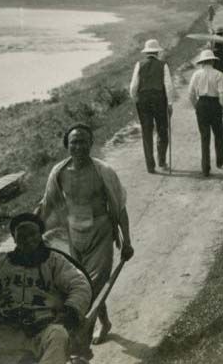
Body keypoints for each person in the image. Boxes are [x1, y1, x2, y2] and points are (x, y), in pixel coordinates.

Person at [36, 124, 134, 358]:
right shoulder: (58, 173)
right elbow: (46, 204)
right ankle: (105, 322)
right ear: (67, 145)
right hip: (73, 236)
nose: (78, 146)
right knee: (82, 287)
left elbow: (119, 208)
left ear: (91, 144)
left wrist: (127, 240)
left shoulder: (104, 172)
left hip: (100, 235)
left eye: (83, 142)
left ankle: (80, 347)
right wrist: (29, 231)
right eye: (74, 142)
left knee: (91, 289)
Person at [0, 213, 92, 364]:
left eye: (32, 234)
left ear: (40, 233)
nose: (28, 240)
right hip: (6, 329)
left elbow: (80, 284)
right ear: (14, 238)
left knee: (58, 335)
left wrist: (68, 312)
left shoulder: (54, 261)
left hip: (40, 330)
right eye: (22, 236)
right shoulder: (2, 261)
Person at [129, 39, 174, 173]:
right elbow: (169, 86)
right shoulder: (163, 65)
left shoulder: (139, 64)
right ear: (157, 52)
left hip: (143, 101)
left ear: (146, 52)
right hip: (159, 100)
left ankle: (150, 166)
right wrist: (170, 103)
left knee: (146, 132)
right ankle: (162, 161)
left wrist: (136, 98)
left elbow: (133, 86)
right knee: (162, 130)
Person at [188, 49, 223, 177]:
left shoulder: (196, 75)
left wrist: (197, 107)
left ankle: (205, 168)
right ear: (212, 61)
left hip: (201, 104)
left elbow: (190, 94)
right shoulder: (219, 75)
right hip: (215, 105)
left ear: (202, 62)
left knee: (204, 137)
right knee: (218, 134)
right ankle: (220, 160)